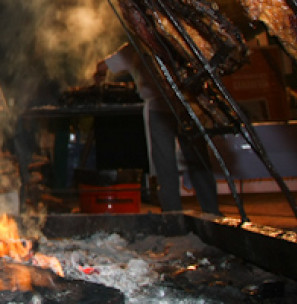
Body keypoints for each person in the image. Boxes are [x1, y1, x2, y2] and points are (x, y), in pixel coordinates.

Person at [93, 43, 220, 215]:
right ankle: (209, 210)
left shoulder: (136, 46)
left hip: (169, 107)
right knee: (195, 159)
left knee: (169, 163)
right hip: (182, 105)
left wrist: (97, 74)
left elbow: (102, 66)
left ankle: (172, 213)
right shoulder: (153, 42)